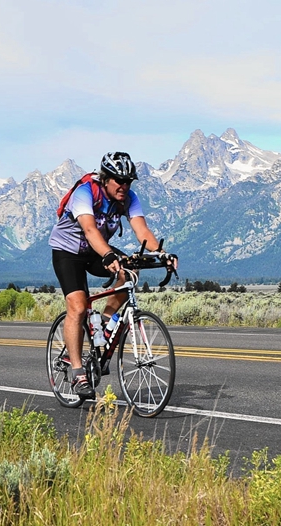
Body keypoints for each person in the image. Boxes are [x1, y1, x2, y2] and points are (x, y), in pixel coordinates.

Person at [48, 151, 177, 400]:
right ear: (105, 179)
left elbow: (142, 231)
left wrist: (162, 253)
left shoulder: (128, 198)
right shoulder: (85, 192)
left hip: (96, 249)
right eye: (119, 180)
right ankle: (78, 373)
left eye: (128, 181)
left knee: (130, 270)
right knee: (77, 305)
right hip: (68, 251)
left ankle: (107, 323)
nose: (124, 186)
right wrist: (108, 255)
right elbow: (88, 228)